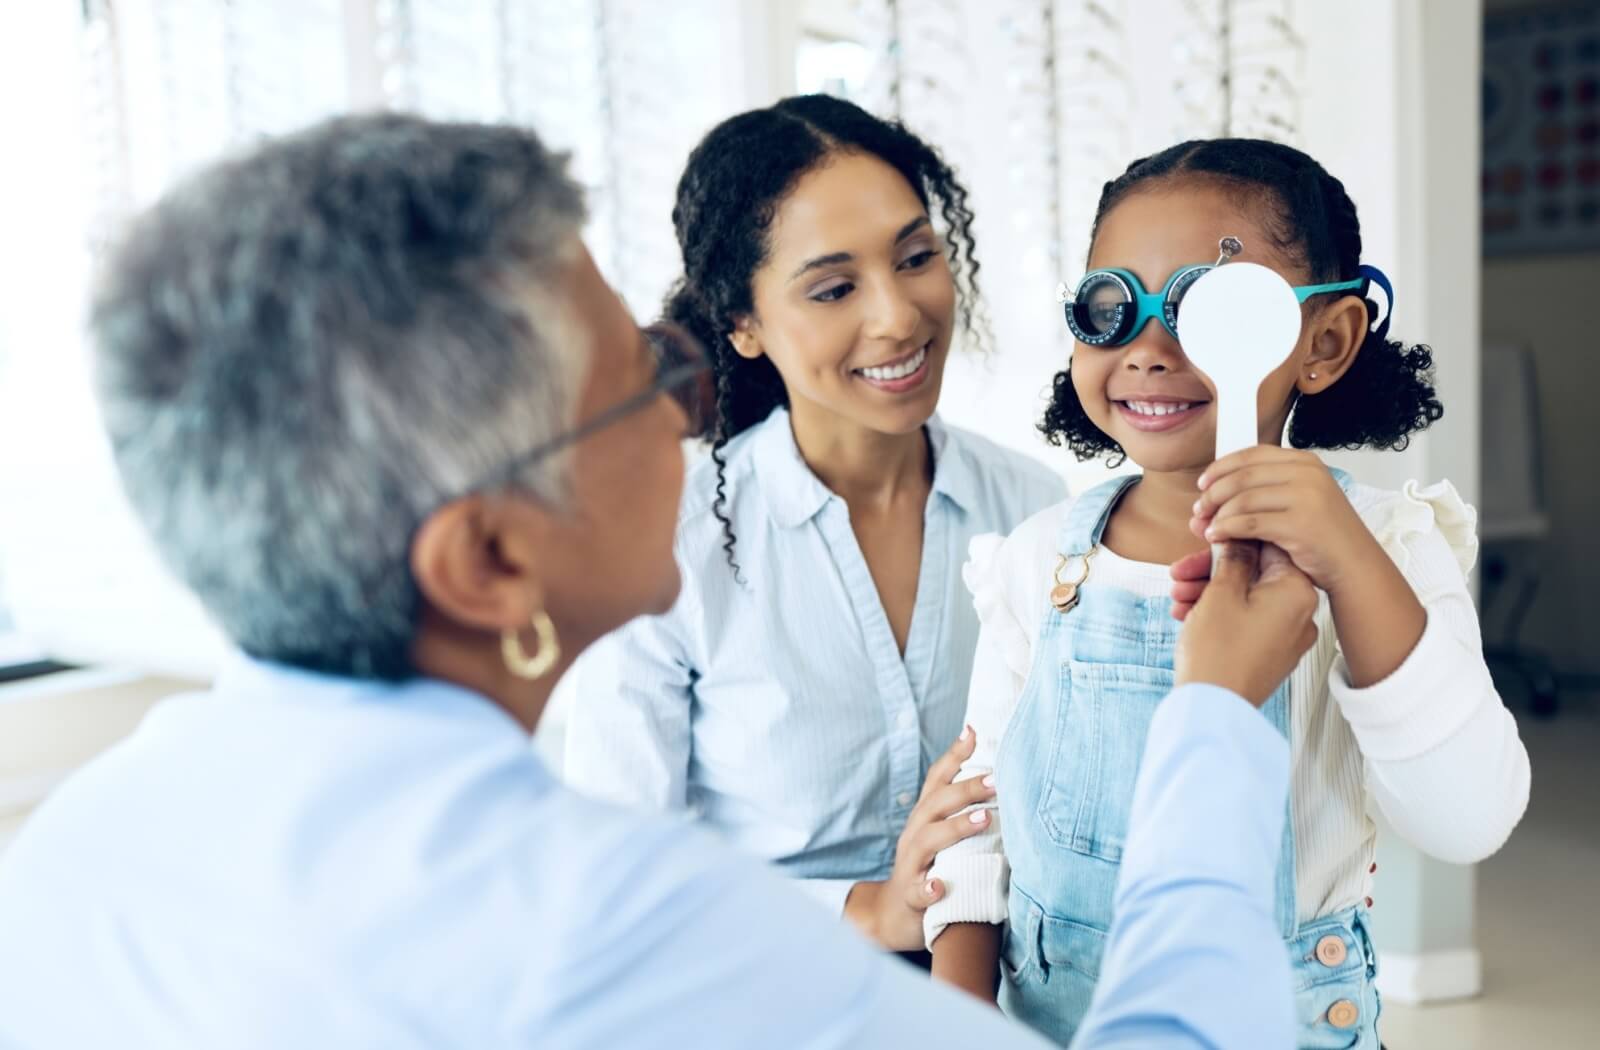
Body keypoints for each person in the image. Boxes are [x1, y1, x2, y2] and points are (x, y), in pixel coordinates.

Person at [0, 112, 1305, 1049]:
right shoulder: (624, 930)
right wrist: (1215, 717)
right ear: (491, 560)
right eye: (636, 378)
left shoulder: (73, 847)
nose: (686, 414)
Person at [924, 139, 1532, 1048]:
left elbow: (1466, 818)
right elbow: (980, 828)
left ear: (1324, 342)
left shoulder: (1391, 553)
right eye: (1110, 306)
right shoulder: (1039, 558)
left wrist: (1349, 563)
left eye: (1208, 308)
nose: (1150, 349)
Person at [564, 95, 1063, 953]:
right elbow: (619, 875)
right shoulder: (663, 541)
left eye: (915, 258)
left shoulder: (1033, 509)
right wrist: (866, 910)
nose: (898, 316)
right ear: (744, 326)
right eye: (834, 288)